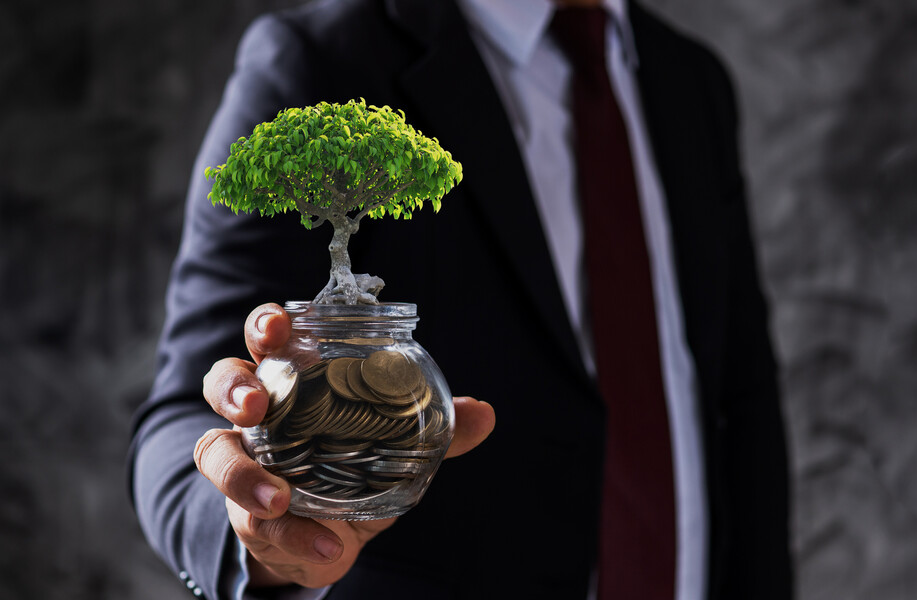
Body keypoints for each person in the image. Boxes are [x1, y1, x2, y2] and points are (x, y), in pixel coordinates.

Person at [129, 0, 792, 598]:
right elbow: (191, 410)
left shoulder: (691, 81)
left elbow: (739, 399)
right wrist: (262, 532)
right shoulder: (320, 61)